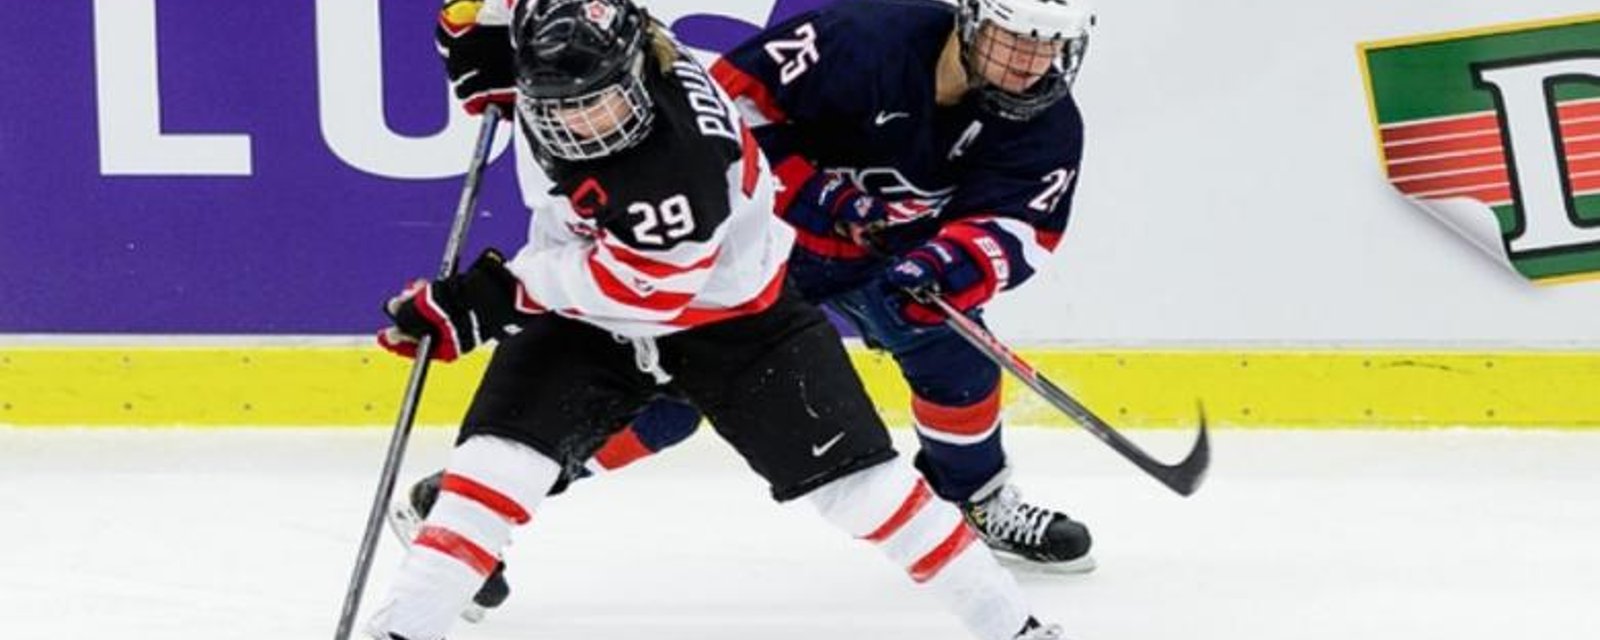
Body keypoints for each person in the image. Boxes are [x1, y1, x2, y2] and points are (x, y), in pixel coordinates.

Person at [364, 1, 1064, 639]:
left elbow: (643, 292)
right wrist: (474, 40)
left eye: (602, 105)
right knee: (492, 470)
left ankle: (1013, 626)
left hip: (739, 320)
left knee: (867, 492)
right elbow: (477, 15)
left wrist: (491, 298)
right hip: (599, 306)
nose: (587, 123)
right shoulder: (606, 38)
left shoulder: (676, 170)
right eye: (561, 107)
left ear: (634, 77)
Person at [574, 0, 1099, 571]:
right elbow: (726, 104)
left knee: (959, 361)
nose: (1033, 62)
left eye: (1051, 45)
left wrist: (943, 265)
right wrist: (815, 196)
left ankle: (977, 499)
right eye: (1017, 38)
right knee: (669, 403)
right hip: (768, 243)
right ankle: (527, 476)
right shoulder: (859, 39)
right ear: (971, 21)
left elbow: (1017, 228)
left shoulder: (1047, 124)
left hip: (892, 264)